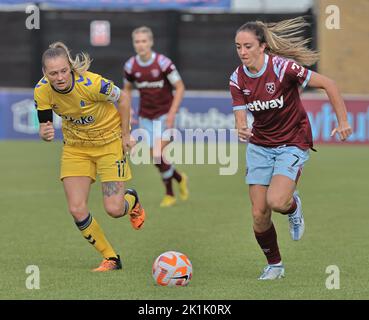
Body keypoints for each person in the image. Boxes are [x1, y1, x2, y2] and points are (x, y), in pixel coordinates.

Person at [229, 17, 352, 280]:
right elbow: (240, 116)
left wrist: (343, 122)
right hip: (260, 145)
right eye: (238, 47)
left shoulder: (284, 68)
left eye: (248, 46)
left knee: (277, 201)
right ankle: (275, 265)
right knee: (259, 213)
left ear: (262, 47)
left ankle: (293, 207)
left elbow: (329, 84)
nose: (242, 52)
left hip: (292, 141)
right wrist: (241, 127)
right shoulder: (237, 78)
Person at [35, 41, 145, 272]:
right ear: (45, 73)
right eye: (53, 73)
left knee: (114, 209)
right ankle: (111, 258)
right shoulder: (41, 90)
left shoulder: (92, 83)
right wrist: (44, 132)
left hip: (109, 146)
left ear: (70, 68)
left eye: (64, 71)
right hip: (76, 149)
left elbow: (123, 98)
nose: (60, 77)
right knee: (76, 208)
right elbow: (45, 124)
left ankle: (131, 199)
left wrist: (126, 135)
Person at [121, 26, 189, 207]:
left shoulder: (163, 63)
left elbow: (180, 87)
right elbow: (126, 91)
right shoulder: (130, 66)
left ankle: (169, 194)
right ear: (134, 44)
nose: (141, 45)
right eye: (137, 41)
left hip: (164, 115)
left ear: (151, 42)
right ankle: (179, 178)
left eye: (144, 41)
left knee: (158, 154)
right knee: (156, 158)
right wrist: (130, 110)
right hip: (145, 116)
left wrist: (172, 113)